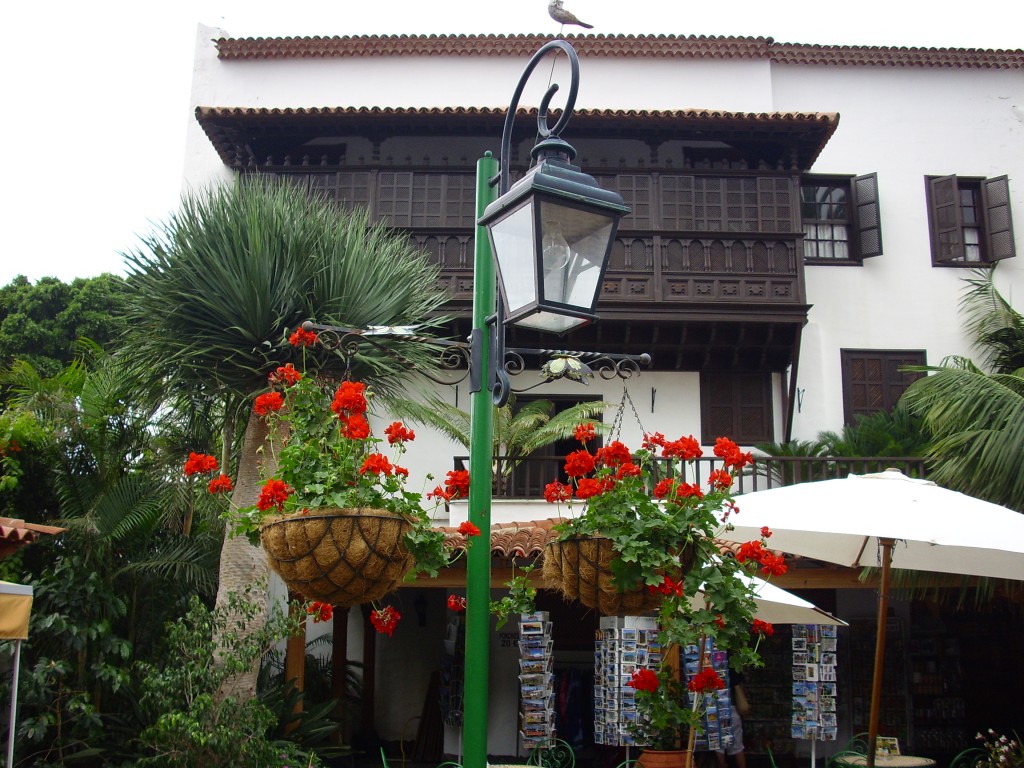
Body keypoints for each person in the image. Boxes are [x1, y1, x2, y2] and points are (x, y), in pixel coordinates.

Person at [716, 671, 749, 768]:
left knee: (719, 747)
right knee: (738, 747)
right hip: (733, 710)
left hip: (718, 709)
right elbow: (741, 690)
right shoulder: (734, 670)